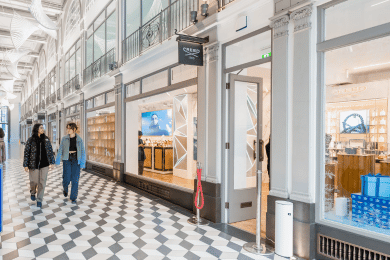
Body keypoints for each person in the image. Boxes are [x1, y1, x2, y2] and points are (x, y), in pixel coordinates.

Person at [23, 124, 55, 207]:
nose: (42, 129)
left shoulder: (46, 139)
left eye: (43, 127)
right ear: (36, 129)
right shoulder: (30, 140)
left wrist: (52, 162)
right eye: (41, 127)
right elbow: (26, 153)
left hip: (44, 164)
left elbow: (50, 151)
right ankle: (33, 192)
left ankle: (39, 199)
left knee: (42, 182)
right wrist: (25, 164)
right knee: (34, 181)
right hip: (33, 164)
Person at [56, 123, 86, 204]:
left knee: (75, 179)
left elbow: (83, 152)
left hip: (76, 160)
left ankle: (73, 197)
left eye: (69, 128)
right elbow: (60, 150)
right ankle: (65, 188)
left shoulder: (79, 139)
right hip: (67, 160)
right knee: (66, 178)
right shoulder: (64, 139)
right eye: (67, 128)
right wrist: (57, 160)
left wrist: (83, 163)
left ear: (74, 129)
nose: (68, 130)